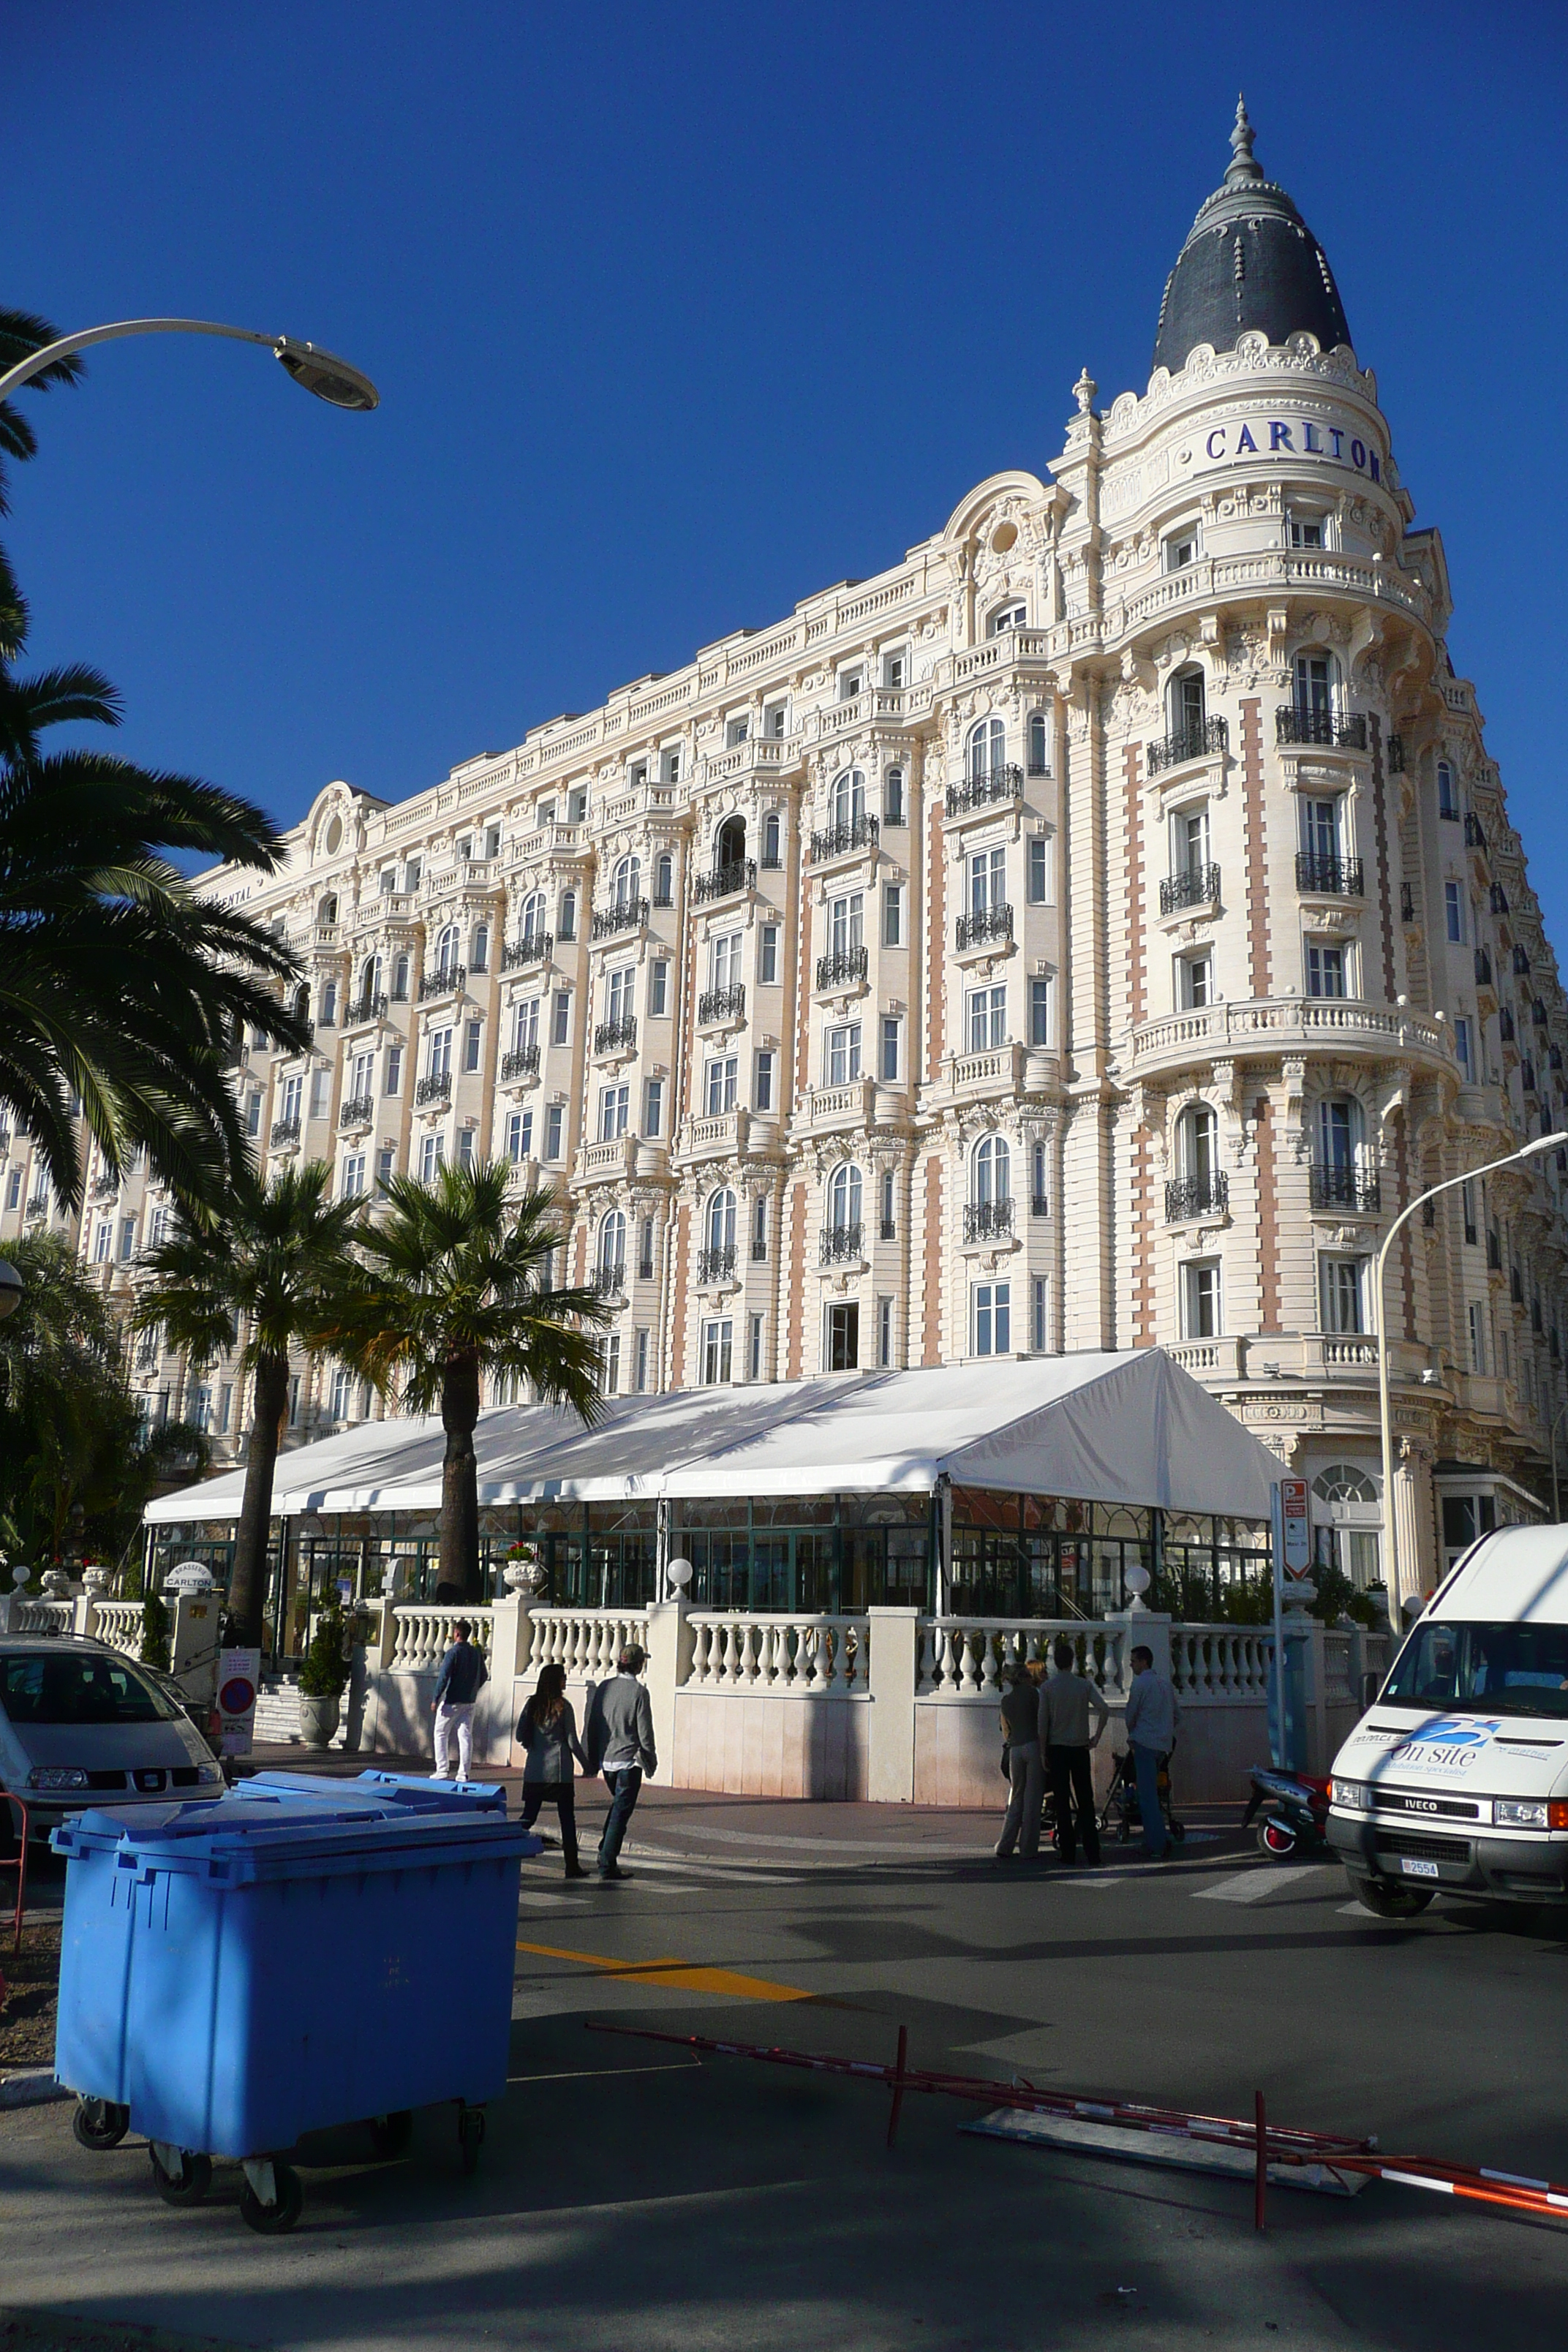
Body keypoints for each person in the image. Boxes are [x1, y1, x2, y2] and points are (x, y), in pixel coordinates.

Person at [583, 1643, 656, 1880]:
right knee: (620, 1815)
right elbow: (645, 1733)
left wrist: (592, 1760)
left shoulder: (605, 1687)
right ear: (637, 1665)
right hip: (628, 1762)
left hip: (608, 1762)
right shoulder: (639, 1693)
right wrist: (650, 1761)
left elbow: (593, 1726)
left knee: (617, 1809)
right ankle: (607, 1862)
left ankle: (605, 1852)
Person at [1039, 1636, 1109, 1868]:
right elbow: (1104, 1709)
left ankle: (1068, 1851)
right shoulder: (1084, 1685)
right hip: (1080, 1747)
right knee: (1085, 1800)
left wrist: (1042, 1751)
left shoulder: (1048, 1688)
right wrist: (1096, 1737)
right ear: (1072, 1662)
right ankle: (1093, 1851)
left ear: (1055, 1663)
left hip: (1057, 1748)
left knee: (1061, 1802)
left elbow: (1043, 1723)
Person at [516, 1662, 589, 1878]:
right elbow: (572, 1741)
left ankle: (505, 1847)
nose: (565, 1680)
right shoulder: (563, 1707)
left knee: (529, 1816)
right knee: (567, 1819)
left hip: (535, 1770)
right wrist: (587, 1765)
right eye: (563, 1677)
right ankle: (572, 1866)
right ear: (555, 1682)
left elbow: (520, 1735)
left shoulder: (531, 1705)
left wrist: (534, 1744)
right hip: (560, 1772)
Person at [1123, 1642, 1180, 1861]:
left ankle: (1155, 1844)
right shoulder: (1165, 1684)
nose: (1131, 1665)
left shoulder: (1140, 1685)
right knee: (1153, 1794)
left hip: (1145, 1743)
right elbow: (1177, 1715)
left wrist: (1134, 1735)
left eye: (1134, 1661)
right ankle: (1159, 1838)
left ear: (1144, 1661)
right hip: (1162, 1744)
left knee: (1146, 1796)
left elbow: (1131, 1715)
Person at [994, 1658, 1044, 1861]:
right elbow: (1041, 1721)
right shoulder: (1033, 1695)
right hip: (1033, 1745)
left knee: (1016, 1796)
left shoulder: (1006, 1701)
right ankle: (1028, 1848)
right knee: (1033, 1799)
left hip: (1015, 1749)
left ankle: (1005, 1844)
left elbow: (1006, 1732)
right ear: (1024, 1677)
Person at [431, 1618, 488, 1781]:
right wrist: (473, 1689)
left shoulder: (453, 1653)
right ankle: (464, 1773)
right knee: (465, 1735)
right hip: (470, 1701)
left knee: (441, 1733)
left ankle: (442, 1769)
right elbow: (484, 1675)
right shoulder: (476, 1653)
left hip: (452, 1700)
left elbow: (443, 1678)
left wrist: (436, 1698)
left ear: (456, 1634)